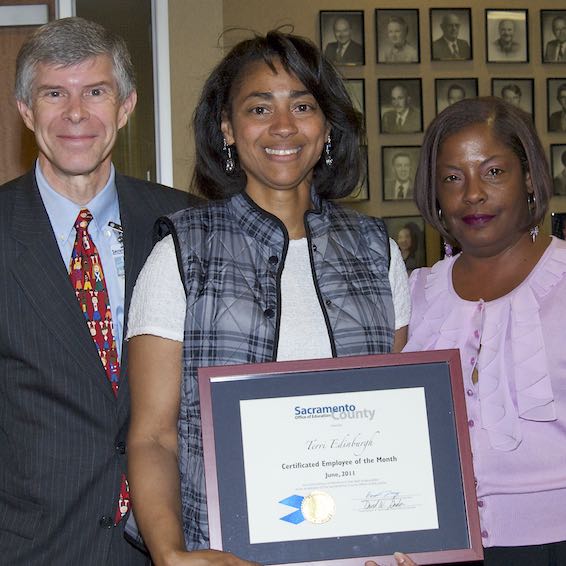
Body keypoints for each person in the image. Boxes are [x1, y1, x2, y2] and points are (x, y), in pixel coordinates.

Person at [126, 30, 412, 566]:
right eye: (260, 107)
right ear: (228, 130)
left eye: (302, 105)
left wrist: (410, 527)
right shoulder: (183, 254)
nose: (283, 126)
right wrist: (169, 554)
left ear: (327, 125)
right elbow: (153, 437)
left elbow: (389, 426)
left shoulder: (378, 253)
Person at [0, 17, 198, 566]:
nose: (76, 113)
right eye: (54, 93)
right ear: (25, 111)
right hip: (33, 548)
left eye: (95, 91)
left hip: (174, 545)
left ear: (126, 107)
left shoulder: (190, 225)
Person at [405, 96, 566, 565]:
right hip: (439, 548)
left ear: (531, 179)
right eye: (452, 178)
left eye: (493, 172)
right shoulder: (416, 294)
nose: (472, 193)